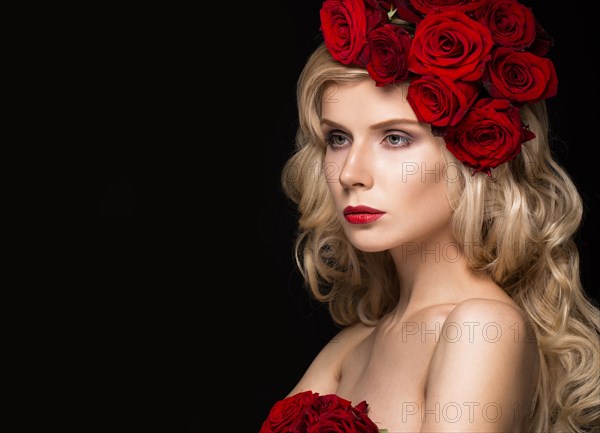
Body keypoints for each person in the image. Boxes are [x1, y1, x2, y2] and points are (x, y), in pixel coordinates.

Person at [261, 1, 600, 432]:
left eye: (396, 138)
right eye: (338, 138)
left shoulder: (481, 329)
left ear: (472, 153)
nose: (349, 173)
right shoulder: (349, 348)